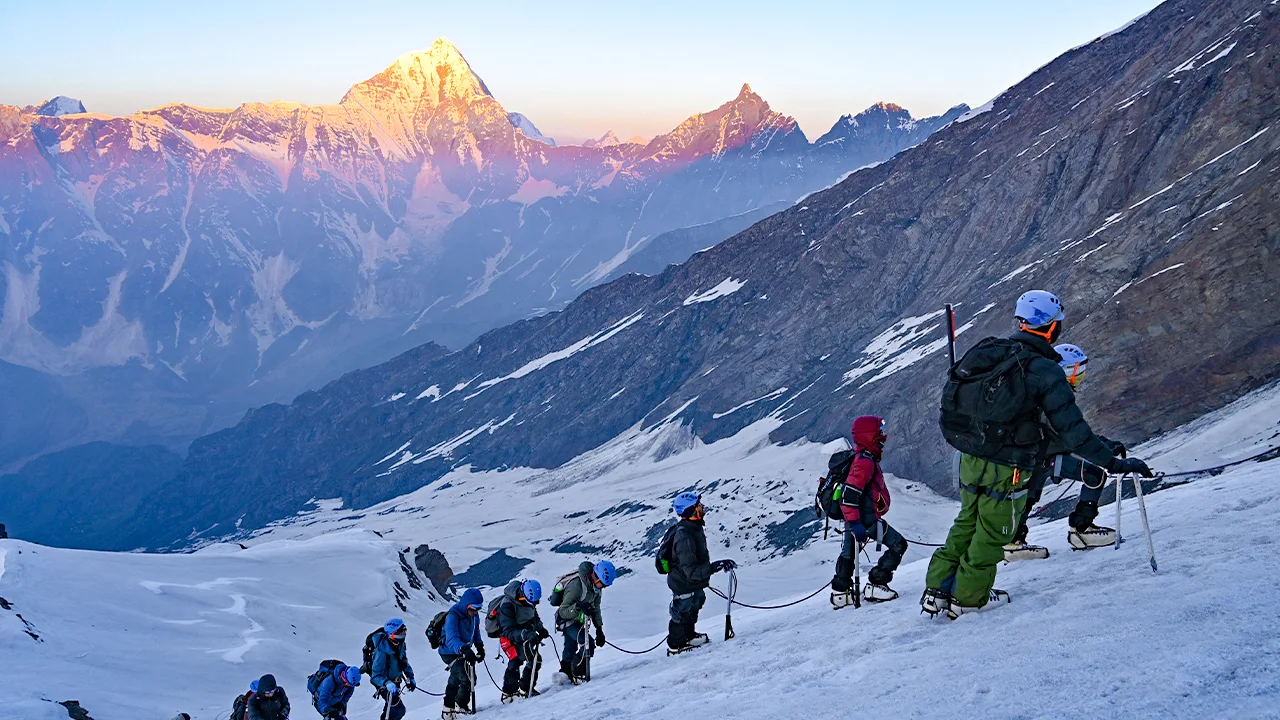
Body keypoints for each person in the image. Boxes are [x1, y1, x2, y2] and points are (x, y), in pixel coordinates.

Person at [925, 290, 1153, 618]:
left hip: (971, 455)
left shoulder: (991, 350)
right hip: (1007, 464)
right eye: (1057, 323)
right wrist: (1112, 463)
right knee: (994, 530)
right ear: (1048, 328)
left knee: (967, 521)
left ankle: (937, 589)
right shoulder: (1046, 370)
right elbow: (1074, 433)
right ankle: (968, 597)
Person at [1003, 344, 1126, 561]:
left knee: (1027, 497)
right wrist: (1102, 446)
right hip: (1048, 456)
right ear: (1066, 371)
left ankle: (1013, 543)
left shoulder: (1040, 390)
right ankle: (1082, 530)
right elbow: (1069, 434)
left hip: (1033, 457)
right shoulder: (1057, 394)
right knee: (1094, 476)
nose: (1080, 376)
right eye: (1077, 370)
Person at [830, 415, 910, 607]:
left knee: (848, 553)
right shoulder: (865, 462)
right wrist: (857, 523)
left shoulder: (860, 458)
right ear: (869, 435)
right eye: (878, 432)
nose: (882, 437)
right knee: (898, 544)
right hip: (866, 520)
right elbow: (849, 495)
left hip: (856, 520)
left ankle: (841, 593)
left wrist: (853, 521)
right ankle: (876, 584)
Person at [663, 492, 735, 654]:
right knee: (683, 609)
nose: (703, 507)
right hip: (683, 583)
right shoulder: (684, 536)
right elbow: (691, 571)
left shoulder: (693, 528)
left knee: (697, 601)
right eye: (699, 505)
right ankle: (676, 644)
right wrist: (714, 567)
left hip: (689, 582)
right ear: (691, 511)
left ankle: (688, 636)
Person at [553, 560, 615, 682]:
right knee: (588, 644)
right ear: (596, 578)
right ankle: (577, 674)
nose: (604, 587)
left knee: (570, 646)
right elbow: (562, 611)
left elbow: (596, 609)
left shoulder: (596, 588)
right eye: (602, 584)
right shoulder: (576, 586)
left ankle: (565, 674)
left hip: (578, 619)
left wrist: (599, 630)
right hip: (567, 620)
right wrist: (578, 607)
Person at [497, 579, 549, 702]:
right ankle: (522, 690)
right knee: (525, 659)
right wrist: (526, 634)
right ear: (522, 595)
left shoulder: (529, 601)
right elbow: (508, 631)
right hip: (510, 637)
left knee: (521, 660)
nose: (533, 604)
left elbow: (533, 617)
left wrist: (540, 629)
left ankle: (512, 692)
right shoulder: (507, 605)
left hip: (524, 634)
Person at [439, 588, 485, 718]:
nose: (475, 612)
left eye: (478, 608)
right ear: (466, 605)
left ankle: (447, 709)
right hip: (449, 652)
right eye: (472, 608)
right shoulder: (453, 616)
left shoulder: (474, 616)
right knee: (468, 677)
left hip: (463, 650)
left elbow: (475, 632)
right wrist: (463, 649)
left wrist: (480, 646)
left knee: (455, 678)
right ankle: (461, 706)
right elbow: (451, 638)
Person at [371, 618, 417, 720]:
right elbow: (375, 676)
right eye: (400, 632)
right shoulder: (381, 650)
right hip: (384, 684)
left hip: (395, 682)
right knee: (399, 710)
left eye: (404, 632)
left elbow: (403, 662)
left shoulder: (400, 644)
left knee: (390, 708)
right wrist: (387, 683)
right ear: (391, 634)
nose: (403, 634)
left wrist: (410, 677)